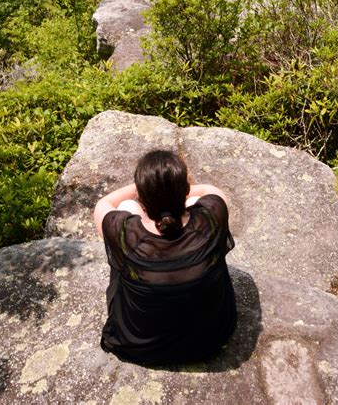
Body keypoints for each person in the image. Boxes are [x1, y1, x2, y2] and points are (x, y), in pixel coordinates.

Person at [93, 149, 237, 365]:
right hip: (209, 340)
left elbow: (104, 204)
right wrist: (173, 187)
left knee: (126, 207)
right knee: (198, 201)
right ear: (185, 190)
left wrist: (146, 186)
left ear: (143, 197)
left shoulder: (125, 234)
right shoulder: (213, 214)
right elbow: (208, 189)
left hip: (141, 346)